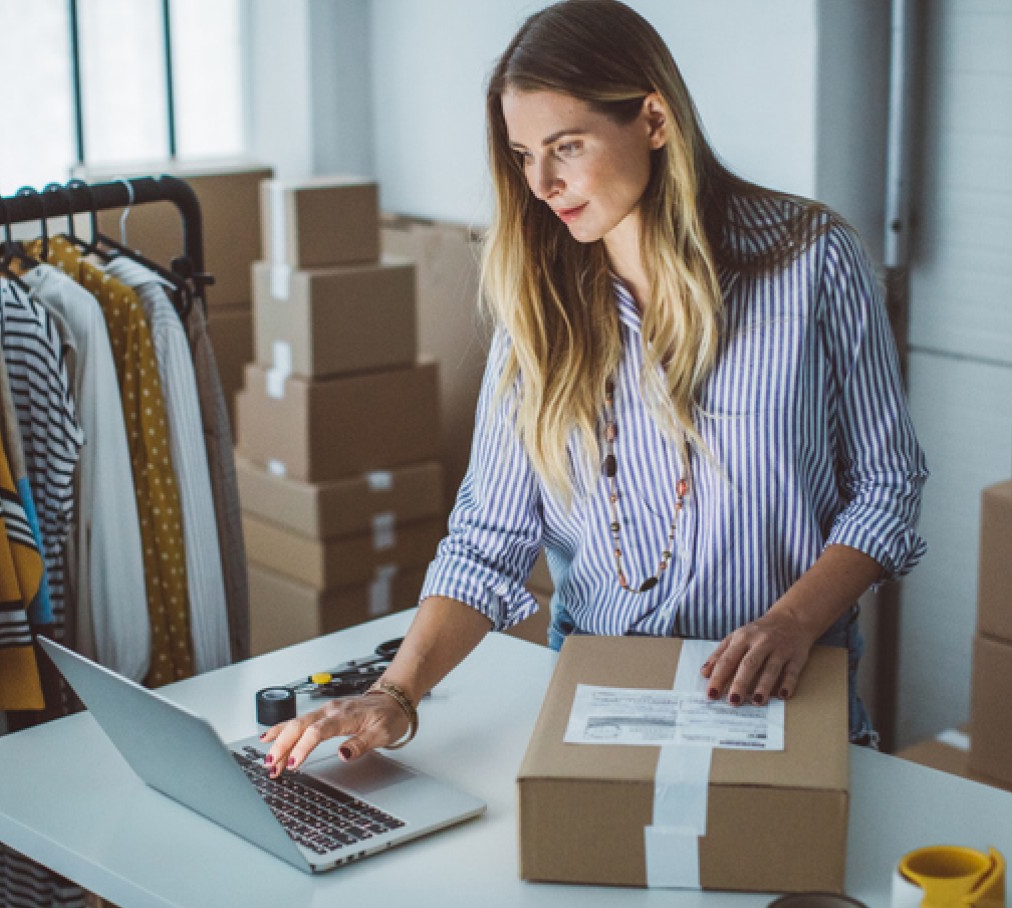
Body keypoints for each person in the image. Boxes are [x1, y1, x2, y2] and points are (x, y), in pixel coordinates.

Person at [262, 0, 927, 775]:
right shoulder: (539, 308)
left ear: (652, 119)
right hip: (601, 692)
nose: (542, 182)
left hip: (783, 685)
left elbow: (887, 487)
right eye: (521, 155)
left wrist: (790, 622)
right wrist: (395, 695)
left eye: (565, 146)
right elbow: (488, 541)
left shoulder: (814, 261)